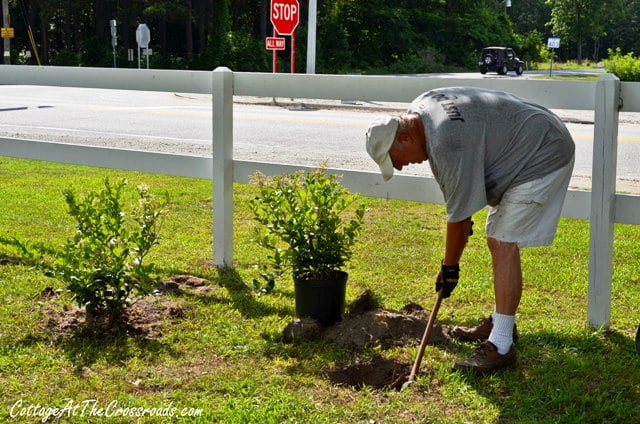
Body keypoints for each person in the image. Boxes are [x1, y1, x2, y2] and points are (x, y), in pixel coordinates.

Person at [365, 87, 575, 374]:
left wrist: (449, 267)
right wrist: (462, 216)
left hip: (543, 149)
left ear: (404, 137)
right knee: (497, 235)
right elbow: (462, 203)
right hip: (534, 128)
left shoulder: (446, 142)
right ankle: (501, 322)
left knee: (502, 241)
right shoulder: (421, 106)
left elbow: (459, 220)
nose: (400, 167)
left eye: (395, 159)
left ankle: (501, 346)